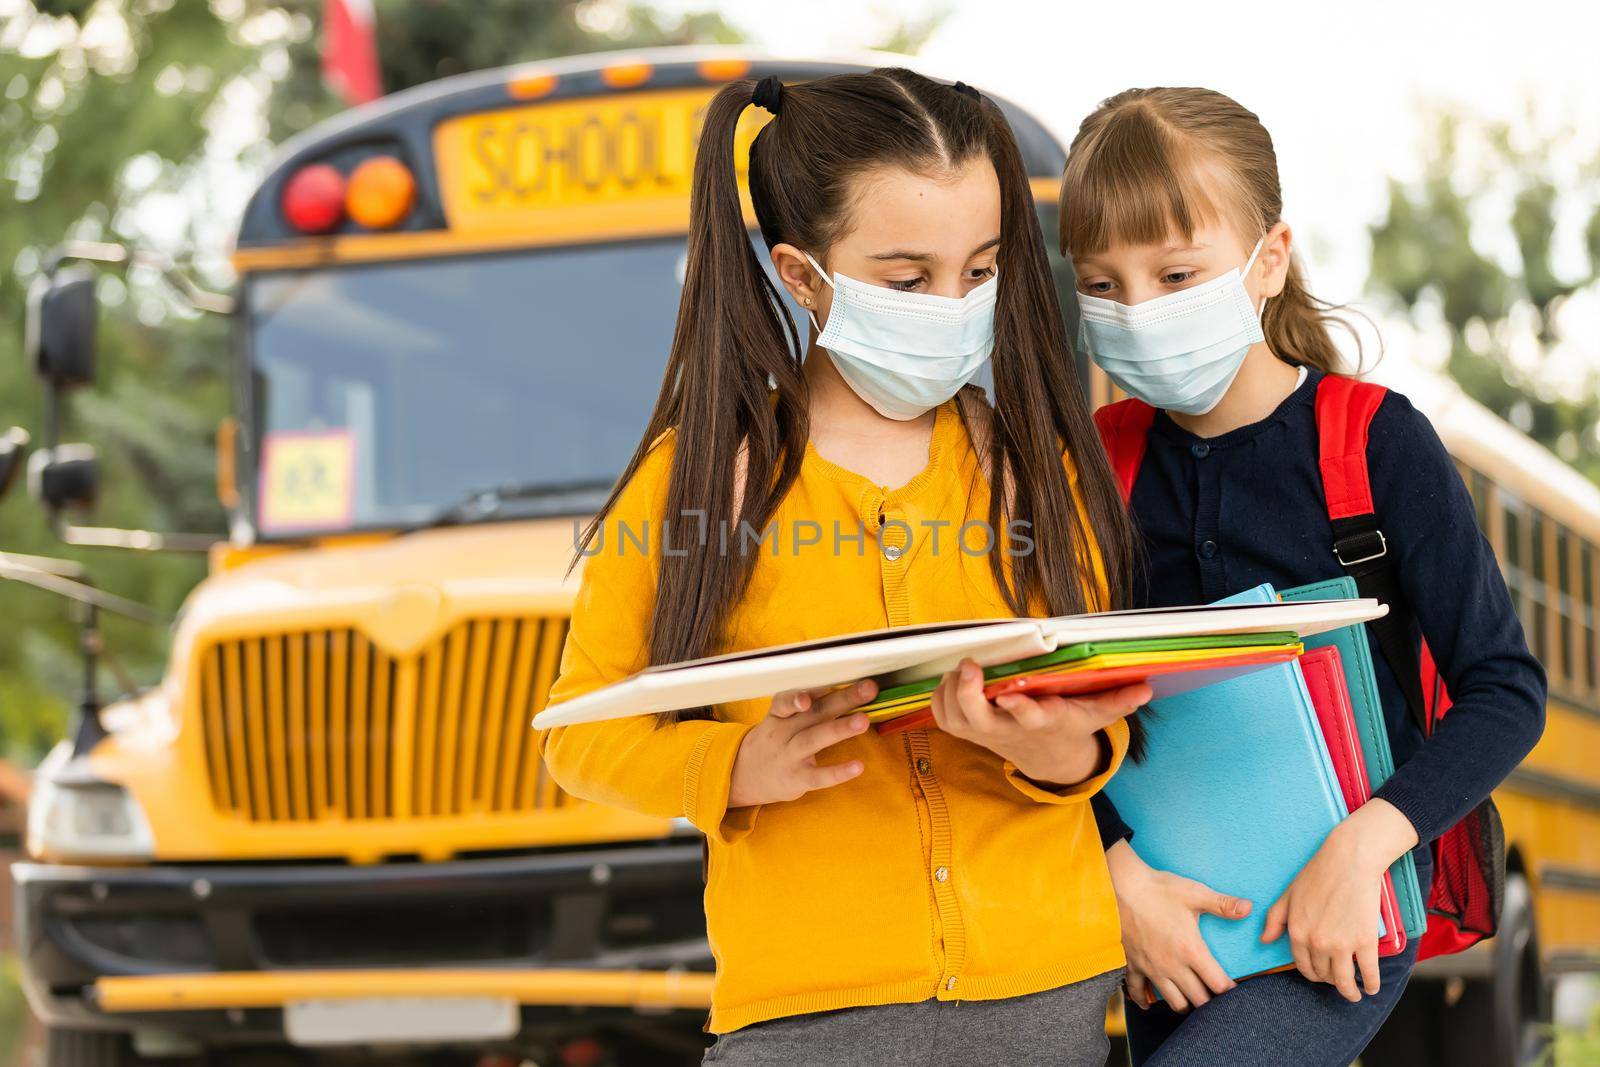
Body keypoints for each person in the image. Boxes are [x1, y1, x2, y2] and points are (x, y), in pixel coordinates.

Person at [539, 69, 1145, 1066]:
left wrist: (1051, 747)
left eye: (981, 269)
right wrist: (732, 766)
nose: (954, 306)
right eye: (908, 280)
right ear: (801, 273)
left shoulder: (1039, 468)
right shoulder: (695, 484)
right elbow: (579, 732)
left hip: (1050, 993)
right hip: (805, 1016)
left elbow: (1097, 730)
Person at [1058, 86, 1547, 1066]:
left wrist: (1366, 846)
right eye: (1101, 284)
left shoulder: (1375, 444)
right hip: (1165, 924)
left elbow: (1505, 689)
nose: (1136, 310)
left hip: (1342, 914)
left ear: (1267, 260)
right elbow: (1059, 704)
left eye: (1175, 272)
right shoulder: (1092, 467)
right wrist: (1119, 875)